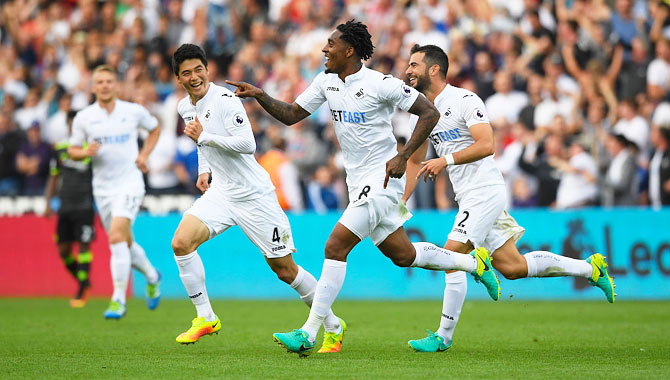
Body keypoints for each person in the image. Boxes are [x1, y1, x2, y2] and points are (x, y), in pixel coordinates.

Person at [228, 20, 501, 357]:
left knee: (335, 245)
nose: (324, 49)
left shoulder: (379, 84)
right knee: (404, 255)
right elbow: (291, 114)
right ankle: (475, 265)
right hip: (357, 181)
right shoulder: (326, 82)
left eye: (331, 44)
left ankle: (309, 332)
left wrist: (402, 156)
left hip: (384, 179)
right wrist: (260, 96)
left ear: (349, 50)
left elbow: (428, 112)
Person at [402, 44, 616, 352]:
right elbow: (414, 162)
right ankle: (590, 269)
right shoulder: (419, 113)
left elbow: (487, 144)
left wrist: (445, 161)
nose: (408, 70)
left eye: (414, 65)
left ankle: (443, 336)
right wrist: (399, 203)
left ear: (433, 69)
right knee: (513, 268)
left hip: (485, 189)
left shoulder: (464, 99)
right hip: (467, 195)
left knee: (451, 256)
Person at [169, 44, 344, 349]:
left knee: (284, 270)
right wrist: (203, 171)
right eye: (187, 72)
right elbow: (202, 144)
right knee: (181, 243)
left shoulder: (225, 100)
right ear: (179, 78)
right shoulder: (186, 107)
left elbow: (247, 144)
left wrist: (205, 138)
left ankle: (333, 324)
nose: (194, 76)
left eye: (199, 69)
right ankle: (205, 316)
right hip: (222, 192)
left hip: (254, 196)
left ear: (208, 70)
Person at [68, 65, 162, 320]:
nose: (105, 85)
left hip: (130, 182)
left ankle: (118, 299)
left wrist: (144, 155)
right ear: (93, 87)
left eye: (109, 81)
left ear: (116, 85)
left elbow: (155, 128)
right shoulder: (84, 118)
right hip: (103, 189)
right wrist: (85, 152)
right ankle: (153, 275)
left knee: (117, 236)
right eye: (100, 81)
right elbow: (72, 149)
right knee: (123, 242)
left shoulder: (132, 112)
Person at [45, 110, 95, 308]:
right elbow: (54, 176)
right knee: (63, 251)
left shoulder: (91, 148)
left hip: (84, 205)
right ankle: (84, 281)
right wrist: (48, 202)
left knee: (84, 247)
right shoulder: (60, 148)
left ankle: (82, 291)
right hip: (65, 205)